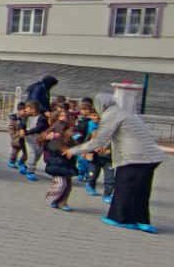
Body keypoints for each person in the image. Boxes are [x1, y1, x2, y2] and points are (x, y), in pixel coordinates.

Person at [63, 94, 166, 233]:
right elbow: (118, 136)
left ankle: (120, 218)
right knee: (141, 190)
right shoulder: (124, 113)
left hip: (134, 158)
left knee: (124, 188)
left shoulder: (111, 115)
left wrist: (73, 151)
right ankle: (142, 221)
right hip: (151, 157)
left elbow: (98, 140)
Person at [42, 103, 76, 210]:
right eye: (61, 116)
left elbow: (78, 142)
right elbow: (49, 145)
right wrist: (49, 138)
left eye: (66, 116)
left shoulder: (71, 130)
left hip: (68, 162)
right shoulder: (52, 131)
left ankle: (62, 202)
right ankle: (52, 199)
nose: (64, 118)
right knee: (61, 183)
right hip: (56, 161)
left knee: (68, 185)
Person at [21, 101, 49, 182]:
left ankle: (26, 166)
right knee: (32, 154)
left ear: (33, 109)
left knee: (37, 155)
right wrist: (21, 129)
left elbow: (38, 128)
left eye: (27, 108)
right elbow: (22, 123)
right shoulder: (26, 117)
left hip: (39, 139)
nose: (25, 110)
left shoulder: (42, 118)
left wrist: (27, 132)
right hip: (29, 140)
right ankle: (30, 172)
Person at [7, 101, 29, 170]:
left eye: (26, 111)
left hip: (23, 138)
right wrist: (14, 135)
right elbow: (11, 128)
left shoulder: (25, 118)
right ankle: (11, 161)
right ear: (19, 110)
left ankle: (21, 162)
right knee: (15, 151)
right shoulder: (14, 119)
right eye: (24, 111)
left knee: (25, 153)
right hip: (16, 138)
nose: (25, 112)